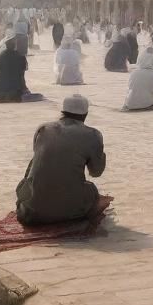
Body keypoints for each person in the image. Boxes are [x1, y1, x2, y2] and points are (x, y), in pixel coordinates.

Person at [15, 94, 106, 225]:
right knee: (91, 190)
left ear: (63, 111)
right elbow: (96, 172)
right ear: (86, 114)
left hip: (31, 213)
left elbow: (37, 160)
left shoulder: (43, 129)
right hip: (71, 211)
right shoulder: (93, 134)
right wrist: (100, 154)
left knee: (33, 168)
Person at [0, 36, 30, 102]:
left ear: (6, 45)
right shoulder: (20, 56)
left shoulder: (1, 56)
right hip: (16, 87)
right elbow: (22, 74)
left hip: (2, 86)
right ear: (14, 46)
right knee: (24, 92)